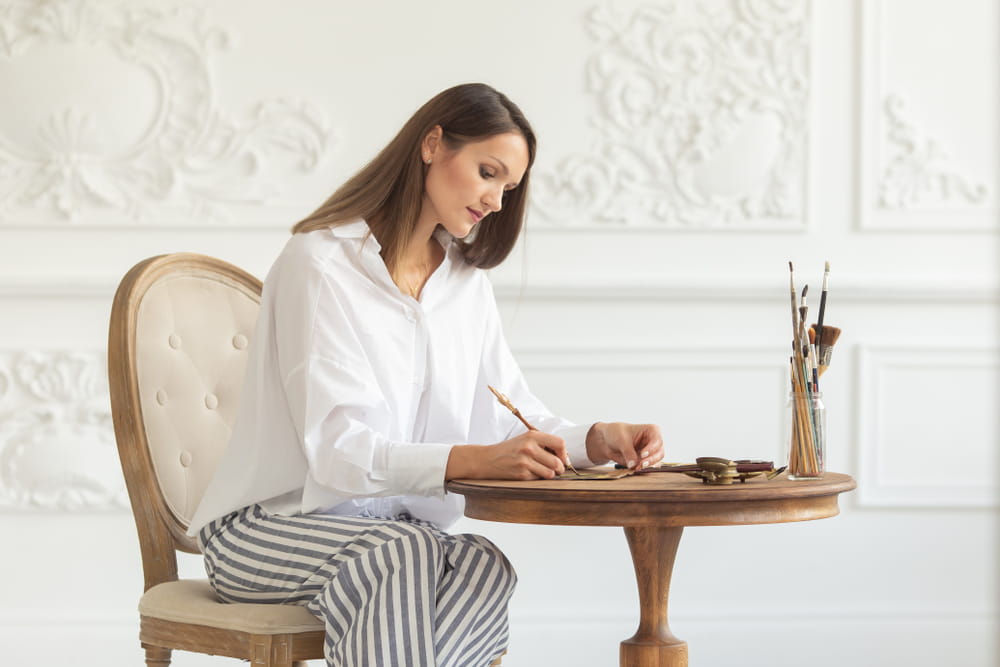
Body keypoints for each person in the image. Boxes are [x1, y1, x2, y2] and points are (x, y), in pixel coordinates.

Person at [187, 82, 664, 667]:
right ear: (433, 143)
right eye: (488, 172)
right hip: (267, 530)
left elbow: (507, 410)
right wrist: (468, 461)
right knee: (404, 555)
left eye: (508, 189)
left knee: (484, 565)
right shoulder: (319, 264)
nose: (495, 200)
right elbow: (338, 452)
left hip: (390, 536)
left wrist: (594, 440)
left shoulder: (465, 285)